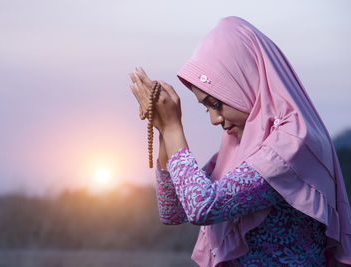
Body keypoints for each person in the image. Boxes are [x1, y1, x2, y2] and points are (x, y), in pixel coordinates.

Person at [129, 16, 351, 266]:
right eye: (206, 108)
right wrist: (162, 130)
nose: (214, 119)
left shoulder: (292, 143)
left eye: (217, 104)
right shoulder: (241, 145)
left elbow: (202, 207)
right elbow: (173, 210)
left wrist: (173, 128)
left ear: (244, 81)